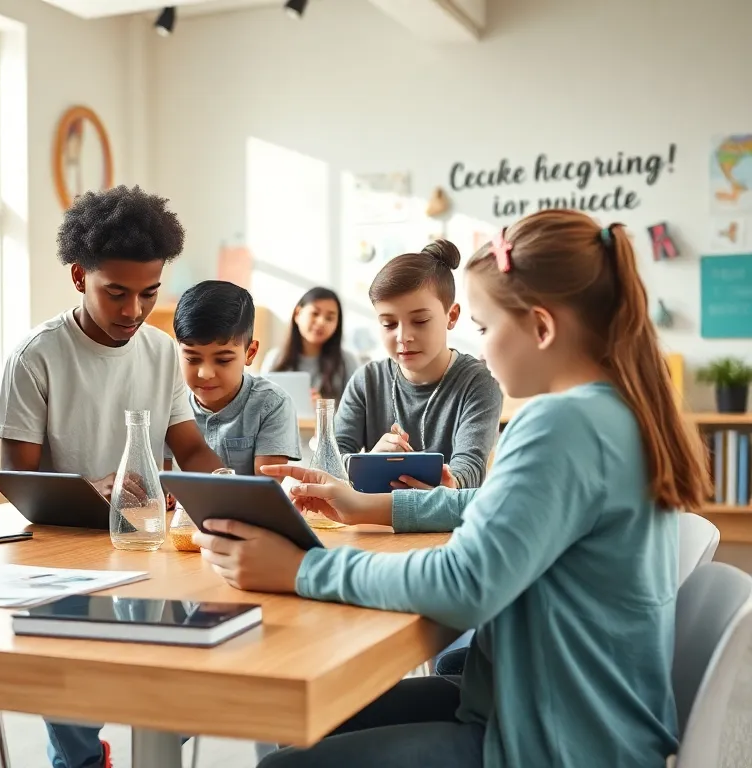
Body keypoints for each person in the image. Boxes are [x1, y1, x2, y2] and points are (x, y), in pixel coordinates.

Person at [192, 210, 708, 768]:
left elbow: (462, 585)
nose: (480, 349)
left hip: (549, 741)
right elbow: (490, 503)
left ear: (541, 326)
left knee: (281, 764)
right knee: (296, 715)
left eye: (484, 329)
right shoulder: (617, 413)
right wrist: (372, 505)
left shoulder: (561, 424)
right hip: (561, 712)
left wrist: (299, 569)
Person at [0, 185, 222, 768]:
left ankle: (155, 750)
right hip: (63, 552)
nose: (133, 311)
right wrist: (91, 489)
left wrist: (228, 484)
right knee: (72, 695)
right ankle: (84, 760)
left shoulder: (162, 351)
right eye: (116, 292)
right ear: (79, 276)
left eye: (149, 293)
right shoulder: (37, 355)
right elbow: (17, 478)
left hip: (147, 544)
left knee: (184, 687)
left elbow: (190, 447)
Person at [335, 240, 502, 489]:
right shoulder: (367, 380)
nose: (403, 337)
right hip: (370, 513)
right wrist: (370, 461)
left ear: (452, 316)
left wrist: (446, 486)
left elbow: (470, 469)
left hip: (446, 515)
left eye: (420, 321)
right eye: (389, 324)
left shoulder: (477, 383)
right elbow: (331, 459)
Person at [172, 280, 300, 476]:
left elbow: (264, 489)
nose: (205, 373)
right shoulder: (170, 401)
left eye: (223, 360)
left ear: (250, 353)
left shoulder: (272, 404)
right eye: (192, 358)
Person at [262, 287, 358, 400]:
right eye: (315, 313)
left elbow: (357, 408)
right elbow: (261, 403)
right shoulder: (275, 358)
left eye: (329, 318)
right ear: (297, 314)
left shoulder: (347, 361)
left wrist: (322, 407)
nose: (321, 322)